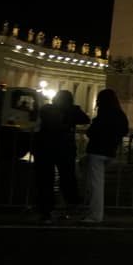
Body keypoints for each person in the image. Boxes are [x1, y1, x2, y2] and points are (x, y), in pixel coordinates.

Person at [32, 89, 90, 221]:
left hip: (44, 148)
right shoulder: (71, 111)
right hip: (64, 148)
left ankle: (45, 209)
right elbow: (85, 119)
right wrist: (73, 108)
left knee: (45, 179)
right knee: (67, 177)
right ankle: (70, 205)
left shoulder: (46, 109)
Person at [82, 88, 129, 223]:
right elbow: (124, 130)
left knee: (96, 184)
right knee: (89, 174)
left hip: (97, 151)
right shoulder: (120, 114)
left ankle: (95, 215)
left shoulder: (103, 114)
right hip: (111, 151)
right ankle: (88, 208)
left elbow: (91, 132)